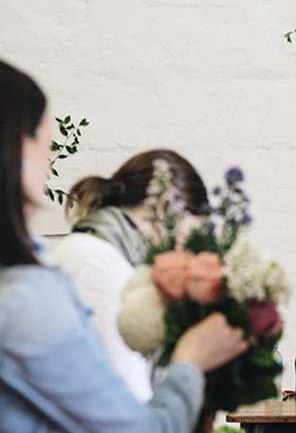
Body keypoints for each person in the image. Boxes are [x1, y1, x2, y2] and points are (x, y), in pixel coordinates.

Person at [0, 58, 248, 433]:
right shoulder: (88, 269)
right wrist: (191, 361)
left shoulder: (68, 263)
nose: (50, 163)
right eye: (45, 143)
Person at [48, 150, 209, 402]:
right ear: (161, 211)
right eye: (184, 242)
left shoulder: (94, 251)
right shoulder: (100, 263)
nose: (182, 259)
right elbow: (134, 407)